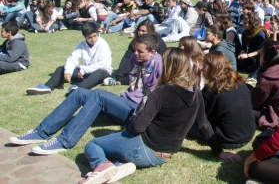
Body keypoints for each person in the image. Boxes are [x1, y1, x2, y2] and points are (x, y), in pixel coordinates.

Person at [78, 48, 241, 184]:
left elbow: (138, 127)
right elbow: (204, 124)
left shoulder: (161, 92)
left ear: (169, 66)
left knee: (93, 145)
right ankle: (118, 165)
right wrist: (219, 151)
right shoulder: (196, 92)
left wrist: (132, 120)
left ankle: (102, 166)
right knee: (115, 142)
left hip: (146, 148)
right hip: (166, 154)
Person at [10, 34, 162, 155]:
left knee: (99, 95)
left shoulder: (158, 63)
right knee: (79, 92)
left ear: (152, 52)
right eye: (135, 50)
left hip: (135, 110)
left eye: (140, 51)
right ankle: (41, 132)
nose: (135, 54)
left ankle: (64, 141)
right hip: (123, 101)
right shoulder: (135, 59)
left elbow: (163, 94)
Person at [26, 22, 112, 95]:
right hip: (85, 71)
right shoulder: (82, 44)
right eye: (90, 37)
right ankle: (48, 86)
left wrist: (84, 70)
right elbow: (72, 58)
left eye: (95, 36)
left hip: (103, 71)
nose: (93, 39)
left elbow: (103, 64)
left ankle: (79, 88)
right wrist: (68, 72)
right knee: (61, 68)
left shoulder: (103, 44)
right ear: (85, 37)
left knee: (100, 72)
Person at [200, 51, 255, 148]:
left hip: (226, 138)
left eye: (204, 66)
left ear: (213, 68)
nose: (201, 69)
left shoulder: (211, 89)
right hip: (248, 134)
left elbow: (201, 116)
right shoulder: (240, 83)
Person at [251, 40, 279, 130]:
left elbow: (254, 102)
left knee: (244, 109)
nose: (260, 56)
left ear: (266, 56)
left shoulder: (268, 79)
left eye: (262, 53)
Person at [106, 20, 166, 86]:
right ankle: (120, 79)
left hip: (151, 68)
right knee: (128, 70)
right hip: (139, 64)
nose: (140, 33)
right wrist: (119, 75)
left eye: (143, 31)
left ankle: (121, 81)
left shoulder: (157, 42)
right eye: (139, 30)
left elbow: (162, 60)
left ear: (150, 32)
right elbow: (127, 56)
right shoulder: (136, 41)